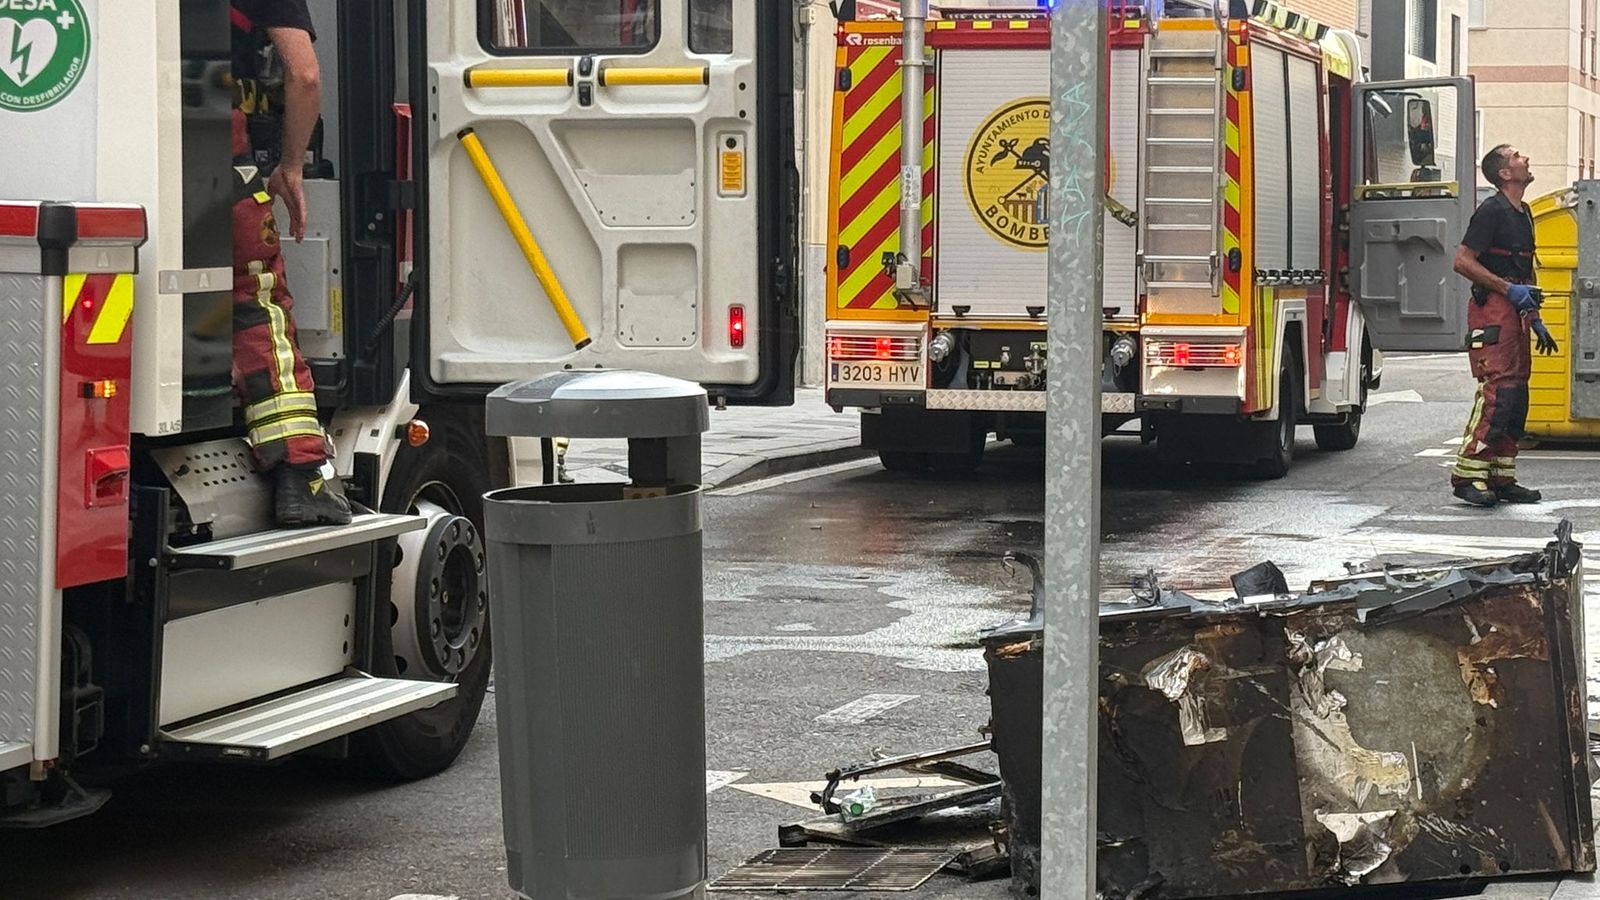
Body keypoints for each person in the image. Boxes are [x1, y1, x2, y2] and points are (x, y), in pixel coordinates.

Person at [231, 0, 352, 526]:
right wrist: (291, 165)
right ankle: (302, 474)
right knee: (256, 305)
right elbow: (304, 76)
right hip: (206, 141)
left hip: (106, 158)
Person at [1449, 144, 1561, 508]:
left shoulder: (1524, 212)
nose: (1525, 158)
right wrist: (1508, 290)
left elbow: (1525, 270)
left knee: (1516, 395)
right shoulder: (1491, 211)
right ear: (1504, 173)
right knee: (1497, 391)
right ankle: (1468, 474)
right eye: (1516, 156)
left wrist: (1535, 317)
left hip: (1515, 312)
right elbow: (1463, 261)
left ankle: (1500, 475)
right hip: (1493, 310)